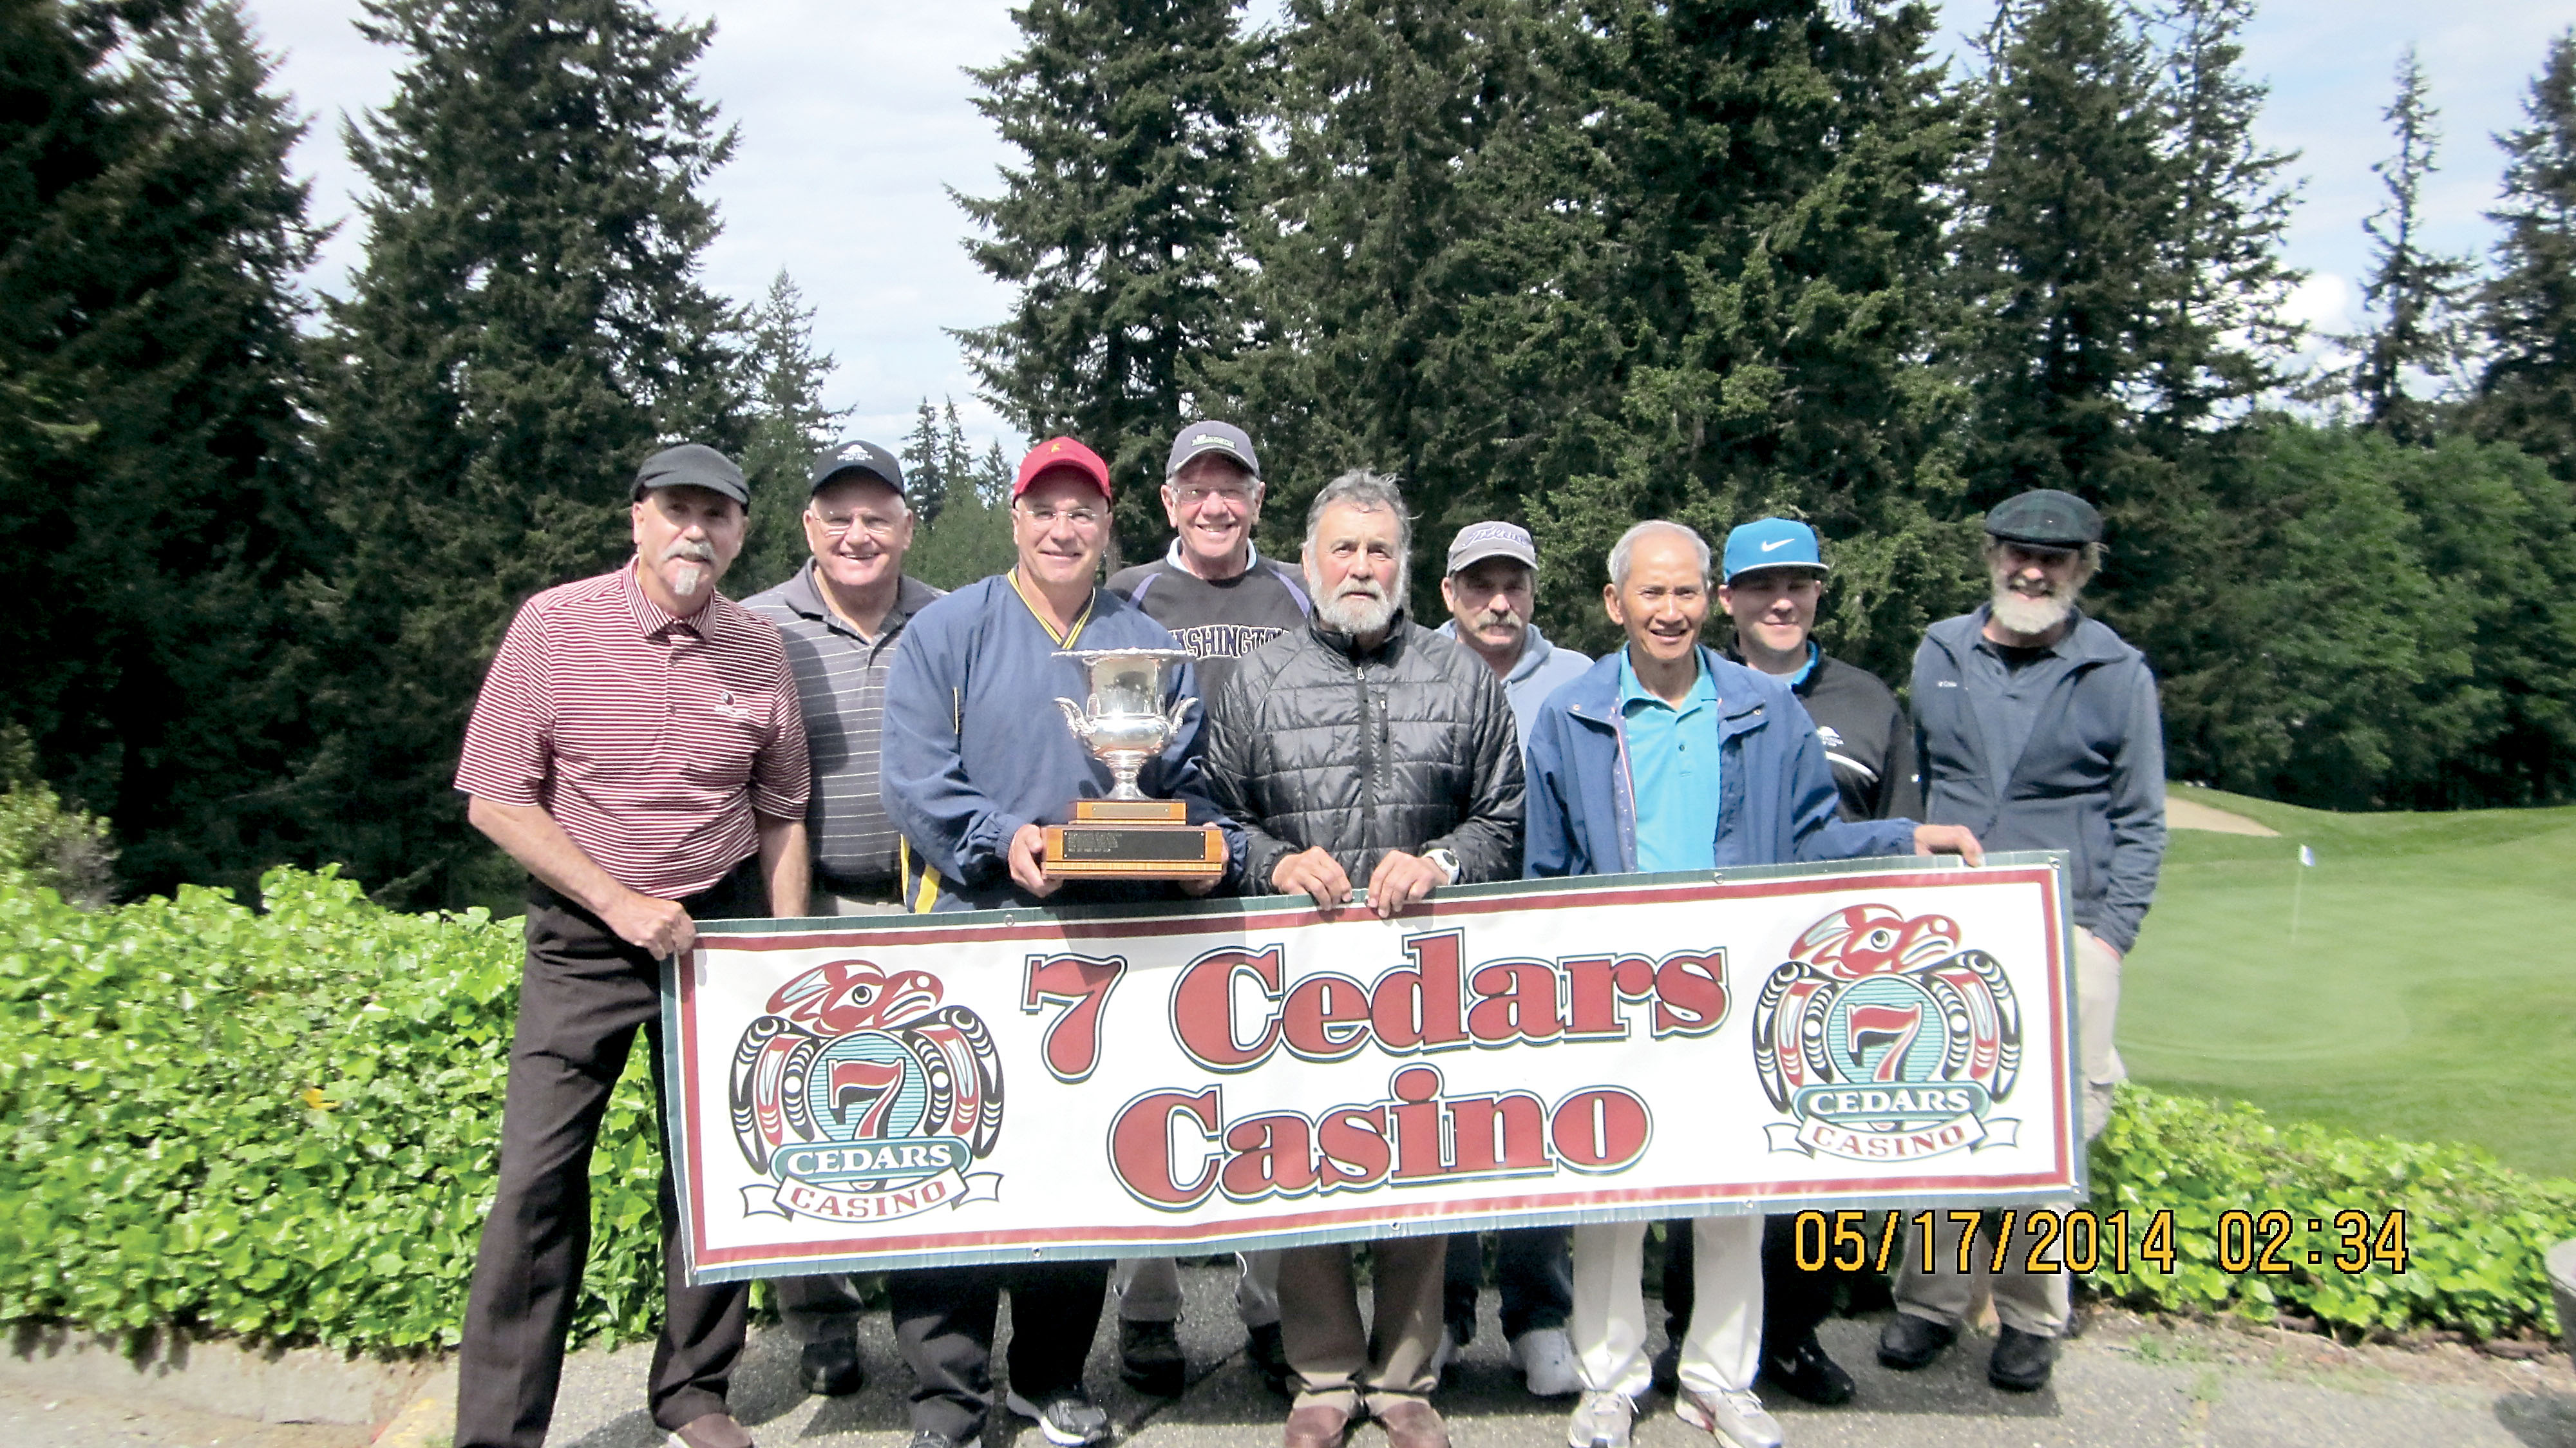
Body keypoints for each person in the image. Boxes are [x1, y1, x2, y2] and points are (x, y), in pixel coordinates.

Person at [1522, 521, 1982, 1448]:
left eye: (1687, 592)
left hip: (1738, 982)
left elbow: (1811, 839)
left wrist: (1905, 838)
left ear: (1710, 602)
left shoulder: (1766, 710)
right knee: (1614, 1193)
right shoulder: (1569, 715)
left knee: (1734, 1191)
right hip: (1620, 992)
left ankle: (1716, 1378)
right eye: (1652, 594)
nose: (1671, 610)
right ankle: (1610, 1378)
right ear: (1616, 605)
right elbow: (1547, 872)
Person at [876, 436, 1240, 1448]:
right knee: (956, 1157)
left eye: (1083, 512)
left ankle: (1046, 1376)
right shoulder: (951, 629)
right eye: (1046, 508)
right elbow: (914, 779)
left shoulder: (1141, 635)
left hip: (1103, 942)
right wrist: (1004, 839)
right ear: (1015, 517)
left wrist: (1199, 846)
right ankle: (948, 1394)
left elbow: (1184, 779)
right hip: (975, 932)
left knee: (1073, 1167)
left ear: (1108, 525)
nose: (1063, 527)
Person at [451, 444, 810, 1448]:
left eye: (719, 515)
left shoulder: (757, 648)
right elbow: (496, 798)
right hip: (585, 933)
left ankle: (695, 1391)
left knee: (714, 1171)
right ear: (638, 520)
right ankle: (496, 1431)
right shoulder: (555, 625)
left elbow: (780, 810)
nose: (698, 530)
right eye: (678, 510)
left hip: (719, 930)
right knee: (537, 1177)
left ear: (742, 533)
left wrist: (779, 951)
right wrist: (617, 903)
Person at [1200, 470, 1525, 1448]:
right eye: (1343, 548)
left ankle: (1407, 1376)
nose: (1361, 566)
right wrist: (1270, 857)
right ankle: (1324, 1375)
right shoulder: (1256, 679)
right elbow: (1215, 818)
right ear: (1308, 561)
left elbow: (1503, 819)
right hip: (1295, 975)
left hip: (1427, 969)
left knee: (1422, 1162)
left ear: (1406, 567)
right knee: (1301, 1161)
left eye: (1379, 550)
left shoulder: (1460, 673)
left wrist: (1441, 861)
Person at [1877, 488, 2166, 1395]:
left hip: (2067, 927)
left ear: (2083, 569)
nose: (2032, 572)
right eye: (2017, 555)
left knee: (2053, 1129)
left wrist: (2110, 938)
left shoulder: (2117, 671)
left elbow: (2143, 820)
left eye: (2056, 560)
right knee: (1939, 1111)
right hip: (1952, 925)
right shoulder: (1942, 649)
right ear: (1992, 556)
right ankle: (1931, 1303)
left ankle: (2035, 1314)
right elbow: (1917, 781)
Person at [1654, 518, 1921, 1408]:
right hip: (1712, 967)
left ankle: (1798, 1333)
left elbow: (1869, 839)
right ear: (1725, 599)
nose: (1782, 601)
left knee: (1822, 1171)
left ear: (1817, 593)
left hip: (1833, 968)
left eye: (1799, 585)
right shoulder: (1683, 691)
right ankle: (1691, 1335)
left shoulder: (1868, 700)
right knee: (1707, 1161)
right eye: (1762, 587)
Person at [1102, 421, 1307, 1399]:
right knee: (1147, 1093)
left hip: (1272, 871)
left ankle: (1271, 1310)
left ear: (1260, 500)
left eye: (1235, 487)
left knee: (1270, 1097)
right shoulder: (1130, 596)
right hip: (1160, 872)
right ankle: (1147, 1310)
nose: (1217, 504)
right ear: (1169, 501)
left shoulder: (1300, 594)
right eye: (1198, 487)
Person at [739, 437, 943, 1400]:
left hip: (923, 897)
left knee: (926, 1112)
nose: (859, 533)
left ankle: (928, 1321)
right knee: (798, 1124)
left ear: (906, 527)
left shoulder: (947, 621)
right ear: (808, 528)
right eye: (840, 516)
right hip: (800, 892)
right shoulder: (752, 627)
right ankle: (818, 1316)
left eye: (878, 516)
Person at [1428, 519, 1587, 1398]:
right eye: (1479, 584)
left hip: (1544, 940)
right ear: (1448, 594)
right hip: (1440, 943)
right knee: (1444, 1128)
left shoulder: (1578, 681)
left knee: (1539, 1130)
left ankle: (1538, 1315)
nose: (1499, 602)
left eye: (1514, 585)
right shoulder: (1413, 668)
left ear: (1532, 592)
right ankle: (1448, 1314)